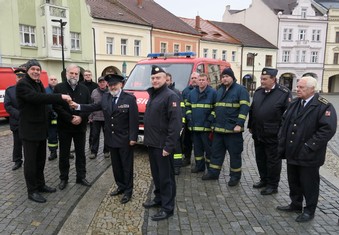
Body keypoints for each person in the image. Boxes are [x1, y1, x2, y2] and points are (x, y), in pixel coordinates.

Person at [70, 74, 138, 204]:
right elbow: (93, 107)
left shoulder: (129, 99)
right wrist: (78, 106)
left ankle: (128, 191)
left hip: (125, 139)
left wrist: (133, 138)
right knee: (116, 166)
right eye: (110, 85)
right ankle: (120, 186)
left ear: (121, 85)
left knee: (127, 166)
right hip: (111, 138)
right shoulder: (106, 97)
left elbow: (133, 120)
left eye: (115, 85)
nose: (112, 87)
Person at [276, 76, 337, 222]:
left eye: (301, 87)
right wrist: (281, 140)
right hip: (292, 150)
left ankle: (309, 210)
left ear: (312, 89)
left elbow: (327, 129)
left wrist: (310, 146)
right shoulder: (296, 102)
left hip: (309, 153)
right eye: (297, 87)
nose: (297, 89)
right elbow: (284, 122)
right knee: (294, 180)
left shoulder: (323, 106)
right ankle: (295, 203)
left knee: (309, 183)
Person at [16, 59, 71, 203]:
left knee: (40, 160)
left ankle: (40, 184)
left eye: (38, 69)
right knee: (31, 162)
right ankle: (32, 190)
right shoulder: (22, 84)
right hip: (29, 131)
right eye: (33, 69)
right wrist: (60, 97)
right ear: (27, 70)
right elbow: (37, 98)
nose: (36, 72)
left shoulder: (39, 83)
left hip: (41, 129)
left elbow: (44, 103)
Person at [142, 65, 181, 221]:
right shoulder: (154, 95)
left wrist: (169, 146)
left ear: (166, 79)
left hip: (163, 146)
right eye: (153, 78)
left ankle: (167, 207)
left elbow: (175, 123)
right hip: (152, 144)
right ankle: (159, 199)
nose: (155, 80)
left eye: (158, 77)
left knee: (166, 178)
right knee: (157, 176)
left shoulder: (170, 96)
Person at [202, 68, 250, 187]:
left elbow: (244, 108)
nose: (224, 78)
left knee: (235, 155)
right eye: (223, 77)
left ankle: (234, 177)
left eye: (227, 76)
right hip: (218, 130)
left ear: (232, 77)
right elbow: (216, 108)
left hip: (233, 130)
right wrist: (212, 122)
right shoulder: (220, 90)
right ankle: (213, 173)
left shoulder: (241, 90)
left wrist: (239, 124)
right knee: (216, 153)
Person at [248, 68, 292, 195]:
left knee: (273, 161)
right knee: (260, 158)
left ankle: (273, 185)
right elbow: (253, 110)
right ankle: (264, 179)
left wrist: (281, 132)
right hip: (258, 132)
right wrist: (251, 125)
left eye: (265, 79)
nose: (262, 81)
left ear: (274, 79)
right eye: (261, 78)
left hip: (273, 134)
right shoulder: (258, 92)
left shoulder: (283, 93)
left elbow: (288, 115)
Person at [53, 64, 91, 190]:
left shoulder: (85, 89)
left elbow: (89, 106)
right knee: (64, 154)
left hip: (80, 127)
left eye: (76, 74)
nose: (74, 76)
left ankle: (81, 177)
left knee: (81, 153)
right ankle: (64, 178)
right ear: (67, 74)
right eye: (71, 73)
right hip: (64, 127)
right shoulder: (59, 88)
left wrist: (81, 117)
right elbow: (56, 107)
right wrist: (70, 118)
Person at [186, 73, 216, 173]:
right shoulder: (192, 93)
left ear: (207, 81)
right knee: (197, 149)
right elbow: (188, 107)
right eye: (200, 80)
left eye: (203, 80)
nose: (201, 82)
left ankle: (210, 168)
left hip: (206, 128)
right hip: (195, 127)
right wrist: (189, 118)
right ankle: (200, 166)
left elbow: (216, 108)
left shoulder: (212, 93)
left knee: (208, 149)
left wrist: (210, 120)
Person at [4, 67, 25, 170]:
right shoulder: (10, 90)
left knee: (28, 144)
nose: (20, 78)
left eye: (22, 77)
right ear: (16, 78)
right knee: (17, 143)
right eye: (18, 77)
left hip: (28, 122)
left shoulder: (29, 89)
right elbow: (7, 106)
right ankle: (17, 161)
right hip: (16, 121)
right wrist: (19, 114)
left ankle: (30, 160)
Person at [166, 72, 184, 175]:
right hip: (165, 125)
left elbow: (181, 109)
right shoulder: (160, 92)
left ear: (171, 81)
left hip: (175, 124)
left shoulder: (176, 93)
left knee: (176, 146)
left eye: (168, 80)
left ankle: (177, 166)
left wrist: (181, 125)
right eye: (165, 80)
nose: (166, 82)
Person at [88, 76, 110, 159]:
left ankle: (106, 151)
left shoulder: (110, 92)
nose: (102, 83)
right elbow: (90, 104)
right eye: (100, 82)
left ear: (106, 83)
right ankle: (94, 152)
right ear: (98, 83)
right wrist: (90, 116)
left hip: (106, 118)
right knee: (95, 135)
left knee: (107, 135)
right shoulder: (94, 92)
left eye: (103, 82)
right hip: (96, 118)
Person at [181, 72, 199, 166]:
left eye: (196, 78)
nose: (194, 79)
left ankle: (199, 161)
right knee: (186, 142)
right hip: (188, 121)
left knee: (198, 143)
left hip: (199, 122)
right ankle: (187, 158)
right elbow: (183, 106)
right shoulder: (185, 91)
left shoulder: (202, 90)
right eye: (192, 78)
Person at [81, 70, 98, 150]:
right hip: (83, 109)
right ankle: (80, 144)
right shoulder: (80, 85)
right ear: (84, 76)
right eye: (86, 75)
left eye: (89, 75)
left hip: (92, 109)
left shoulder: (96, 85)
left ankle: (91, 144)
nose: (87, 76)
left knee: (92, 130)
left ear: (91, 76)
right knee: (81, 129)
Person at [45, 75, 59, 161]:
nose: (53, 81)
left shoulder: (61, 89)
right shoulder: (45, 91)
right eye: (51, 79)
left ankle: (66, 152)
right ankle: (53, 152)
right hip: (50, 118)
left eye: (55, 79)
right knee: (52, 136)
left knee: (64, 136)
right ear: (48, 81)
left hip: (61, 117)